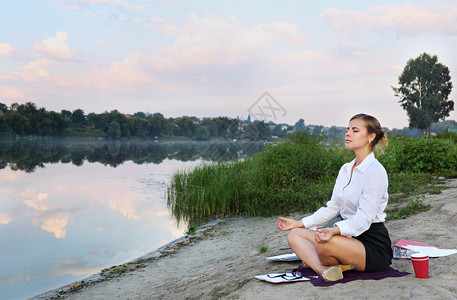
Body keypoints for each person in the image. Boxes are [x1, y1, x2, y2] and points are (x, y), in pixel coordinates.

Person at [276, 113, 392, 281]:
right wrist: (299, 223)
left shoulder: (375, 171)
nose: (347, 133)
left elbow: (364, 218)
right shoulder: (345, 169)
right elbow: (333, 207)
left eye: (355, 130)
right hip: (346, 237)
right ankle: (324, 270)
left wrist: (334, 230)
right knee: (294, 234)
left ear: (370, 137)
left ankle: (326, 262)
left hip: (371, 245)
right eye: (347, 129)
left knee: (323, 244)